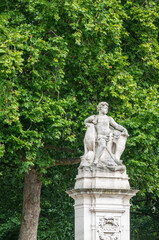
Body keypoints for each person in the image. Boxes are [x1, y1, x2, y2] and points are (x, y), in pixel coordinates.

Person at [82, 102, 128, 170]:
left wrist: (123, 129)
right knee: (102, 145)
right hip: (100, 137)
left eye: (107, 108)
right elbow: (86, 121)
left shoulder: (109, 118)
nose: (107, 110)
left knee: (115, 143)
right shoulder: (96, 117)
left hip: (109, 137)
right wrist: (87, 123)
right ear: (100, 108)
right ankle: (96, 160)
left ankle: (112, 160)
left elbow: (116, 125)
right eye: (105, 108)